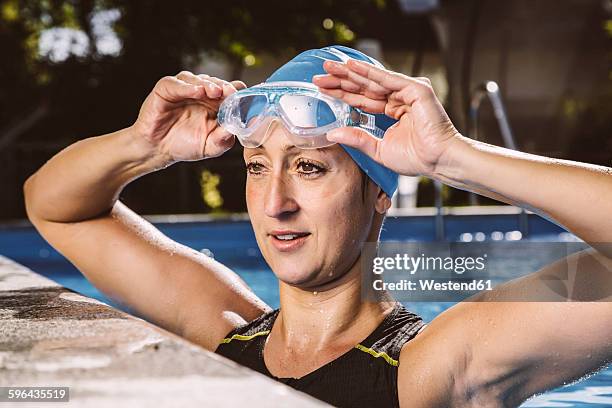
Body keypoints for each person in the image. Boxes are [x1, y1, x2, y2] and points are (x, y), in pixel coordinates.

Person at [23, 46, 612, 407]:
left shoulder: (433, 368)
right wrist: (144, 146)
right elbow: (54, 205)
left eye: (308, 167)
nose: (274, 202)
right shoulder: (224, 330)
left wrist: (450, 159)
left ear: (379, 192)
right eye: (258, 167)